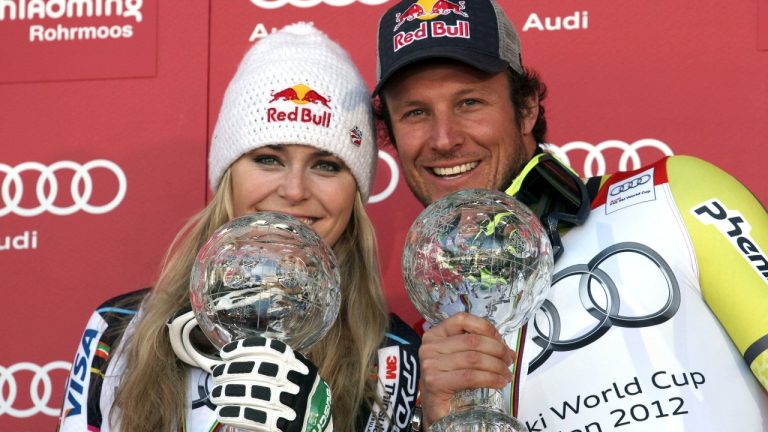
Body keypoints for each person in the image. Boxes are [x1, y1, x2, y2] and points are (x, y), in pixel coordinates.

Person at [372, 0, 768, 430]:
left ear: (526, 108)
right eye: (415, 112)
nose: (443, 138)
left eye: (469, 102)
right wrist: (444, 420)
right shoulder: (429, 347)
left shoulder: (669, 195)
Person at [58, 22, 419, 432]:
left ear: (354, 193)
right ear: (228, 175)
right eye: (268, 159)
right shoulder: (118, 327)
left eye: (326, 165)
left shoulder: (391, 355)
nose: (294, 190)